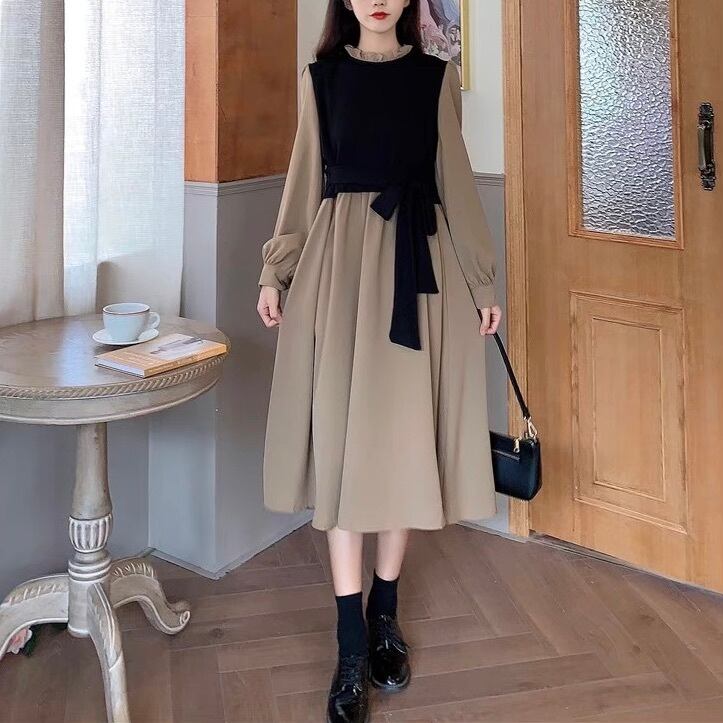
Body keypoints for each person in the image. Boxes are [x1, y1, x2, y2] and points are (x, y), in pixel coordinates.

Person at [256, 1, 502, 720]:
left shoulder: (434, 78)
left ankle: (384, 610)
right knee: (342, 451)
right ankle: (350, 642)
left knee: (401, 447)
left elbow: (456, 184)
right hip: (338, 282)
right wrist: (276, 271)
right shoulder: (322, 78)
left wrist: (480, 281)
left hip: (417, 277)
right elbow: (303, 184)